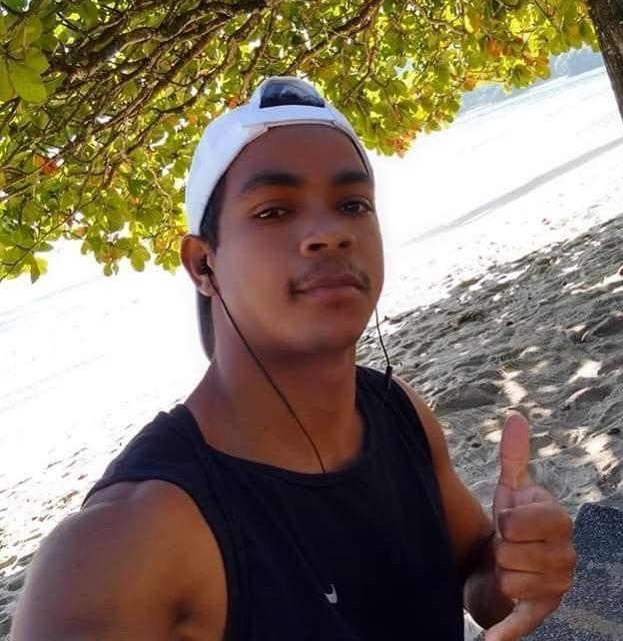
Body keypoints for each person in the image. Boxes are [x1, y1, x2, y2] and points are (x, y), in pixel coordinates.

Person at [12, 78, 576, 641]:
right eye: (273, 211)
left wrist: (516, 569)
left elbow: (477, 576)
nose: (329, 233)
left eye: (352, 205)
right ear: (203, 264)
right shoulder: (123, 542)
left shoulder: (396, 413)